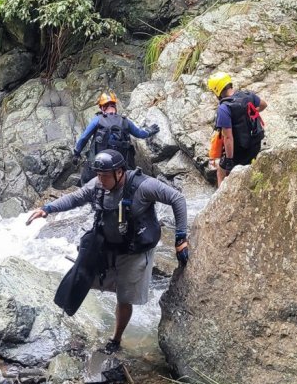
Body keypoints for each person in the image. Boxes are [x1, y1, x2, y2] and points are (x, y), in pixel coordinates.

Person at [26, 149, 189, 353]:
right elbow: (75, 198)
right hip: (106, 246)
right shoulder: (97, 185)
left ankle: (116, 339)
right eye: (98, 174)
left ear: (119, 172)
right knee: (81, 276)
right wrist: (47, 209)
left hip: (134, 251)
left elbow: (177, 199)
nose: (100, 180)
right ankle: (62, 323)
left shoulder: (143, 186)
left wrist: (180, 238)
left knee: (124, 298)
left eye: (104, 175)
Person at [73, 91, 160, 185]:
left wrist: (76, 153)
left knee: (85, 182)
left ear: (102, 107)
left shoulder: (98, 120)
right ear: (115, 106)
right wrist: (149, 131)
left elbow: (84, 137)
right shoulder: (125, 121)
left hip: (97, 167)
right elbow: (140, 134)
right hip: (119, 169)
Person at [206, 71, 267, 187]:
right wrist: (252, 112)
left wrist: (229, 160)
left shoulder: (224, 108)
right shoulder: (247, 95)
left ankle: (222, 195)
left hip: (240, 150)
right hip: (255, 144)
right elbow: (263, 105)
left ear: (217, 91)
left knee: (221, 171)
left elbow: (228, 137)